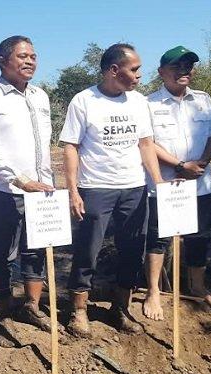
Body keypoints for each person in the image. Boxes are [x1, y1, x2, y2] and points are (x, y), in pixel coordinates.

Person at [60, 43, 163, 338]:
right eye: (134, 69)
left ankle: (120, 308)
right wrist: (73, 190)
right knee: (87, 250)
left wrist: (159, 183)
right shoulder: (84, 101)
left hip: (133, 188)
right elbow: (71, 147)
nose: (139, 75)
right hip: (96, 188)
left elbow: (145, 144)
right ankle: (79, 310)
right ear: (114, 70)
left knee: (132, 249)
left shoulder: (138, 102)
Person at [0, 35, 55, 347]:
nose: (30, 61)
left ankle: (31, 306)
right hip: (4, 190)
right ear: (3, 61)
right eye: (22, 56)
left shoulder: (40, 97)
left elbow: (43, 146)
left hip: (41, 189)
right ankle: (3, 315)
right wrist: (19, 180)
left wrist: (44, 181)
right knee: (2, 252)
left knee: (37, 249)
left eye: (33, 55)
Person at [143, 45, 211, 321]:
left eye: (188, 66)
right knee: (158, 238)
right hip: (165, 186)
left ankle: (198, 287)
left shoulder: (203, 100)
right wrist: (179, 165)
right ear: (162, 72)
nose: (184, 71)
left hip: (200, 185)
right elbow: (147, 144)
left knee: (200, 237)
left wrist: (200, 164)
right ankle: (154, 291)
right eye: (177, 66)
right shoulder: (148, 104)